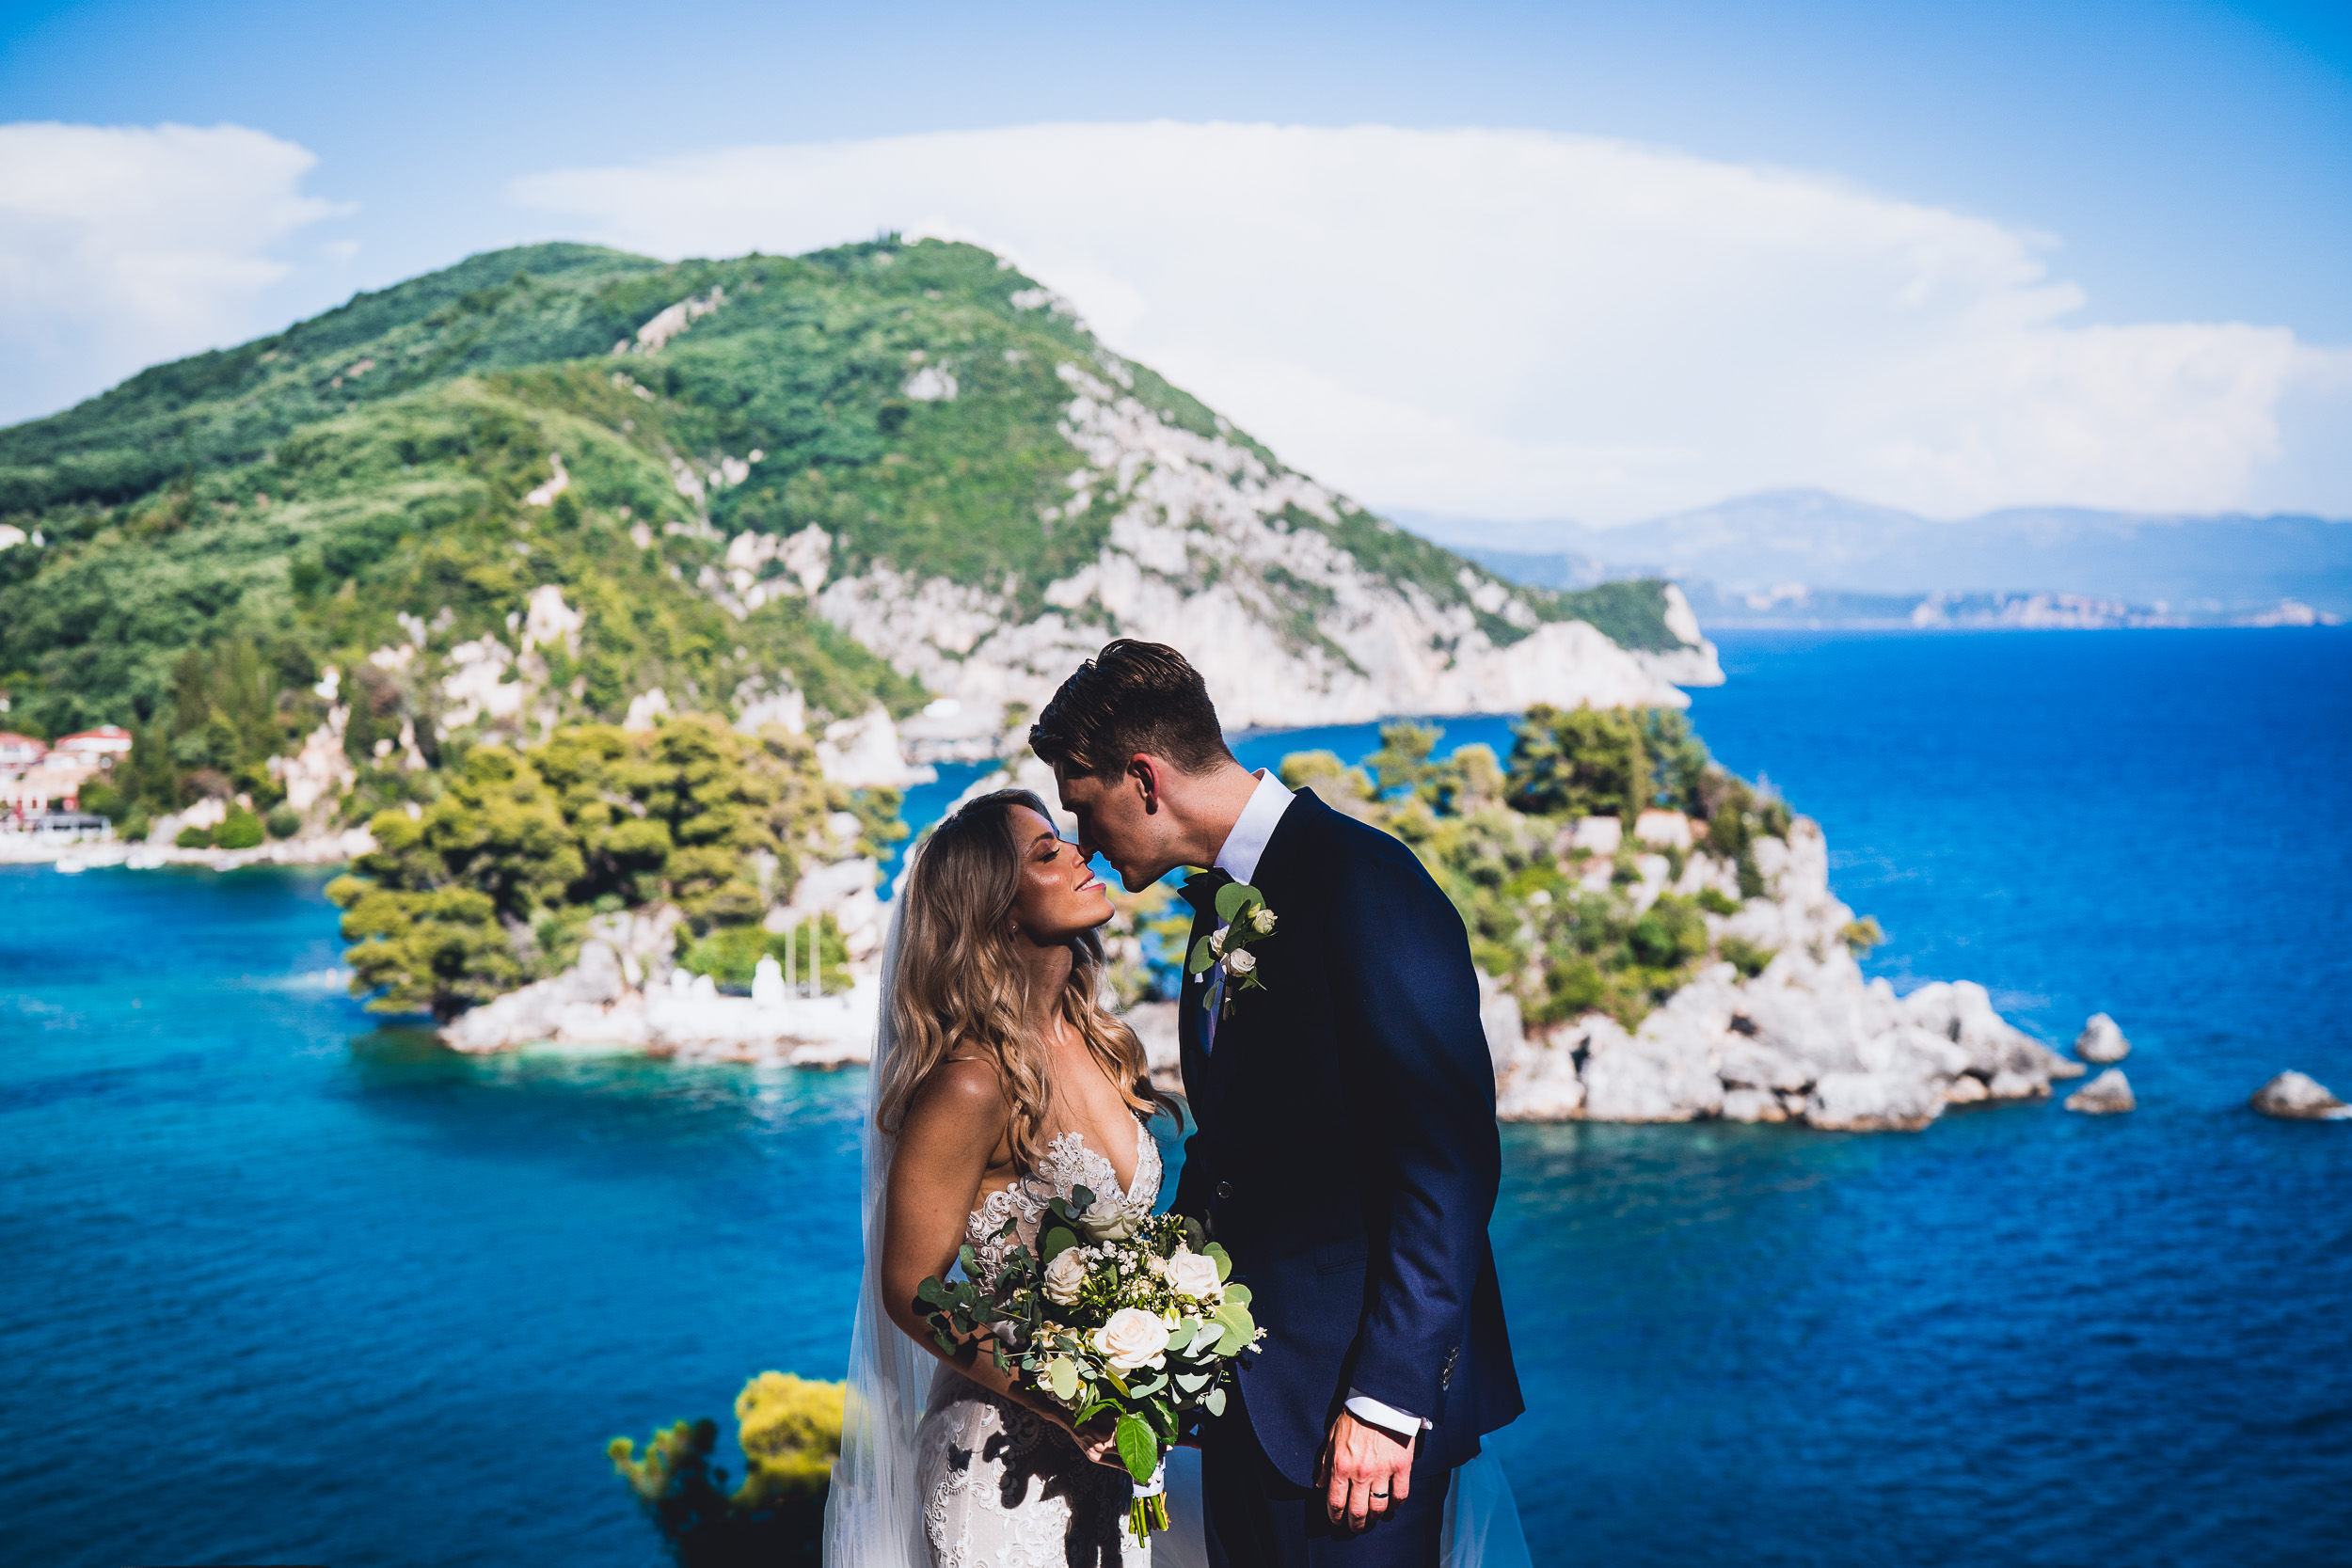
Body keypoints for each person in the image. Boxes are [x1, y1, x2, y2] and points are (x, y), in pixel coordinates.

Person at [1026, 641, 1526, 1568]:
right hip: (1245, 1413)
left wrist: (1386, 1397)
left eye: (1081, 804)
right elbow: (1240, 1157)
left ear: (1143, 777)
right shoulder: (1218, 908)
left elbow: (1449, 1162)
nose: (1083, 840)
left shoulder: (1365, 883)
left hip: (1357, 1423)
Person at [823, 786, 1183, 1568]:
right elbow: (912, 1288)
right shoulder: (972, 1083)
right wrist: (1065, 1399)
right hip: (1001, 1466)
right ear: (998, 910)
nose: (1082, 854)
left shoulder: (1103, 1043)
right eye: (1047, 854)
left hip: (1109, 1463)